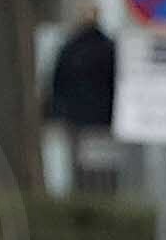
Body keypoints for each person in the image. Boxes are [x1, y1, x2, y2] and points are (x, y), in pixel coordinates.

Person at [44, 12, 116, 194]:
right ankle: (106, 195)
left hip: (76, 118)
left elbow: (58, 83)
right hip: (104, 119)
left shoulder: (70, 49)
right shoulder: (108, 48)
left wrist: (57, 112)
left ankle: (83, 196)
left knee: (80, 166)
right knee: (105, 166)